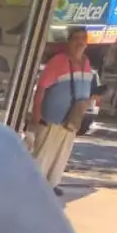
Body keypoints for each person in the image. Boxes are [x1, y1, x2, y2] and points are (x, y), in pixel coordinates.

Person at [30, 27, 94, 193]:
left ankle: (51, 184)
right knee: (43, 152)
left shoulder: (86, 63)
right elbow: (41, 88)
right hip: (52, 116)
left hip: (73, 117)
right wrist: (37, 113)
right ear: (69, 42)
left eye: (83, 39)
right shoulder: (59, 61)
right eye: (76, 39)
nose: (80, 42)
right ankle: (32, 185)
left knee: (62, 153)